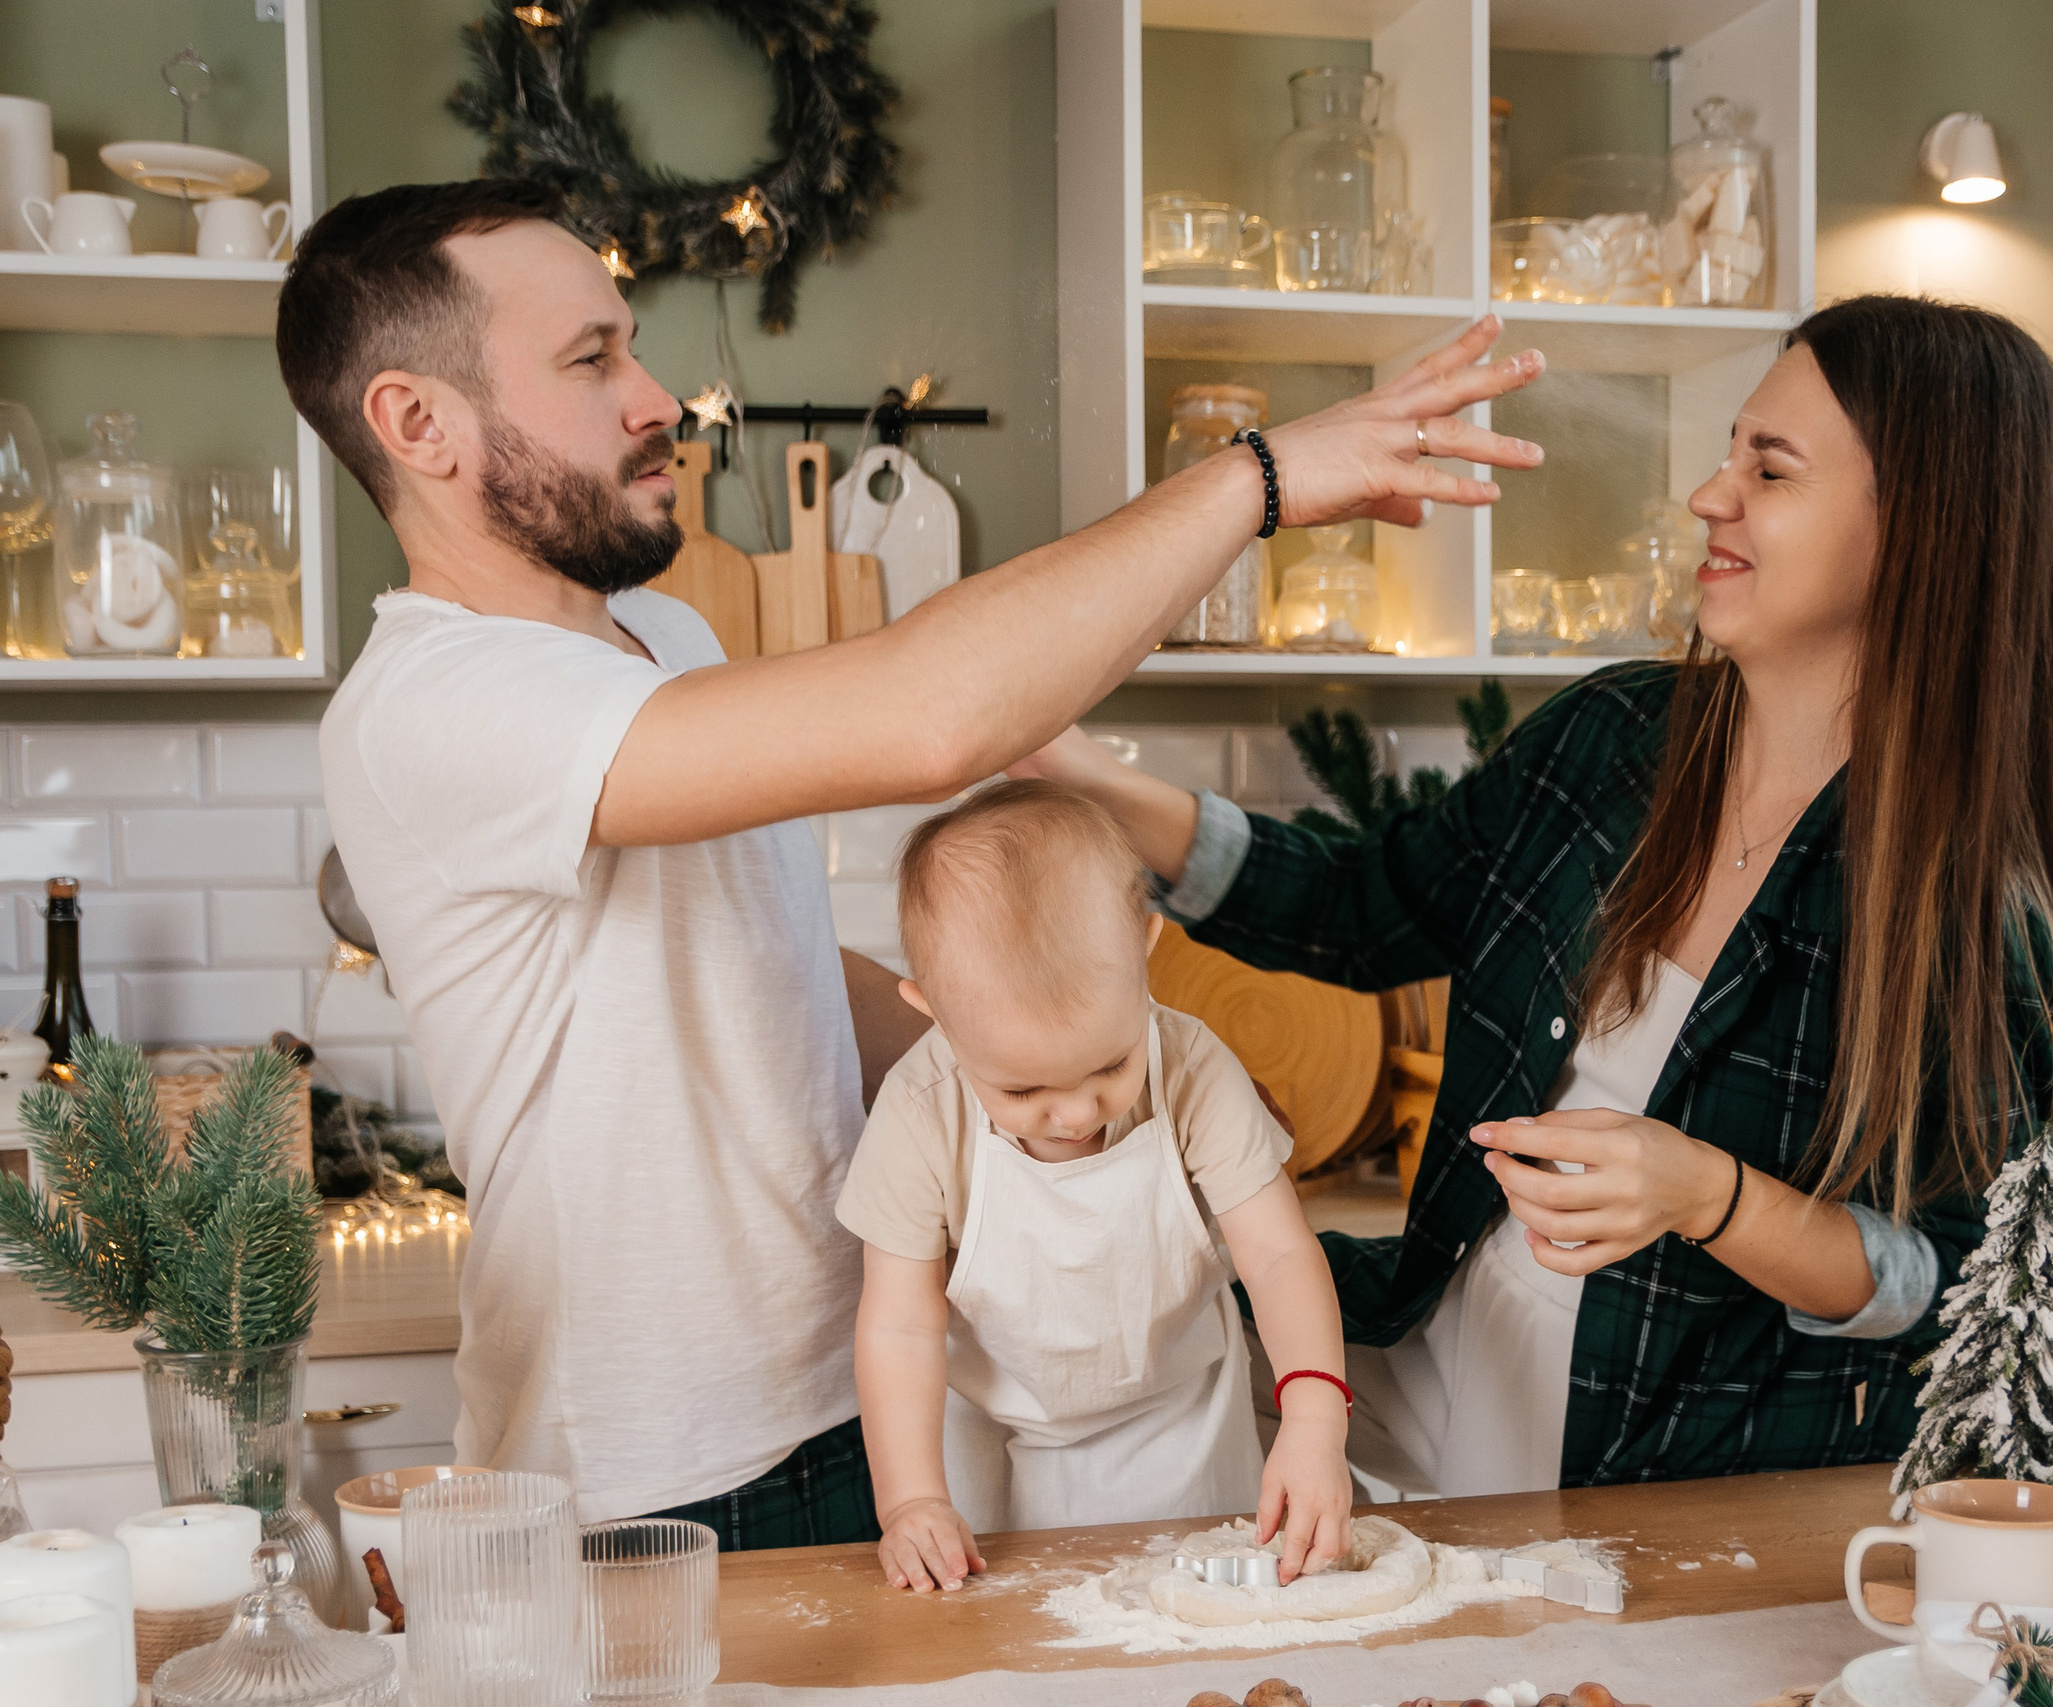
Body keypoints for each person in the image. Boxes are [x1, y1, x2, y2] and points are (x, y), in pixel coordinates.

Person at [278, 178, 1545, 1543]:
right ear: (417, 422)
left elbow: (761, 976)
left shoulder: (665, 637)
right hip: (663, 1470)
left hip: (865, 1391)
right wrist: (1263, 480)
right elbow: (940, 714)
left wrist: (1091, 1064)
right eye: (592, 359)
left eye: (631, 343)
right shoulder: (434, 699)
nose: (656, 397)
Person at [1014, 294, 2053, 1497]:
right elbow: (1366, 903)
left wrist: (1708, 1195)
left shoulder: (1966, 914)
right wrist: (1085, 780)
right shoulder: (1611, 737)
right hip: (1431, 1367)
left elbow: (1945, 1282)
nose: (1709, 495)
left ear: (1920, 534)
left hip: (1663, 1472)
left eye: (1770, 469)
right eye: (1729, 449)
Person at [845, 782, 1351, 1592]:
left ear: (1145, 948)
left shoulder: (1191, 1066)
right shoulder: (916, 1114)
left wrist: (1316, 1416)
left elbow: (1282, 1255)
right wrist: (910, 1499)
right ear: (934, 1013)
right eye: (1022, 1091)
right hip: (998, 1447)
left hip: (1184, 1428)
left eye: (1112, 1064)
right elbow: (900, 1326)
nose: (1077, 1112)